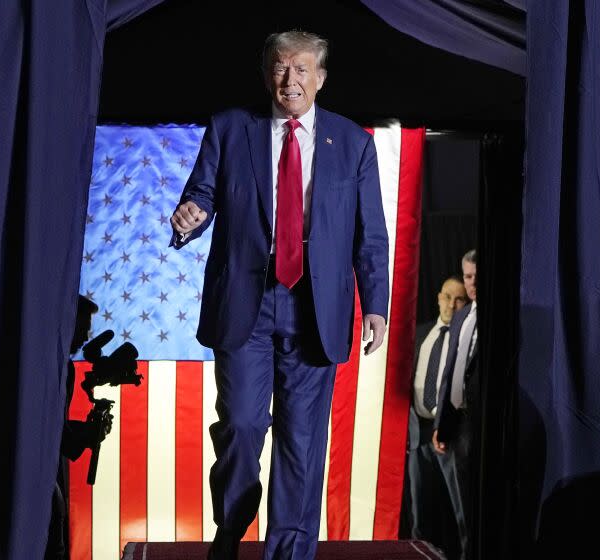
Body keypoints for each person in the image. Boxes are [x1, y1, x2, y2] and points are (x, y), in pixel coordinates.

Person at [170, 30, 389, 560]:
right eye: (280, 67)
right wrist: (188, 219)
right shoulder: (230, 128)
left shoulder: (352, 142)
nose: (290, 80)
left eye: (302, 69)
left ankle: (289, 554)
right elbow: (201, 193)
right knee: (243, 425)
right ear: (268, 72)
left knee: (302, 447)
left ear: (321, 78)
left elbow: (371, 235)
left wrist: (376, 304)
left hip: (318, 308)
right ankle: (231, 524)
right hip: (248, 302)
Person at [402, 276, 467, 558]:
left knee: (460, 513)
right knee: (420, 516)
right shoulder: (421, 334)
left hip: (450, 438)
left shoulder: (466, 338)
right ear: (438, 297)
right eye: (447, 297)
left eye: (459, 299)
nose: (452, 304)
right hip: (418, 438)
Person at [45, 295, 112, 560]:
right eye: (83, 328)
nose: (86, 337)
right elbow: (53, 436)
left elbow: (56, 433)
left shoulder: (61, 367)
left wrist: (84, 433)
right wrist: (85, 434)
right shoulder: (57, 368)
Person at [433, 250, 478, 560]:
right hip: (458, 424)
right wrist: (441, 425)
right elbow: (450, 373)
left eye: (476, 276)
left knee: (480, 503)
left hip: (482, 423)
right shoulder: (462, 316)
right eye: (467, 276)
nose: (472, 283)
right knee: (462, 506)